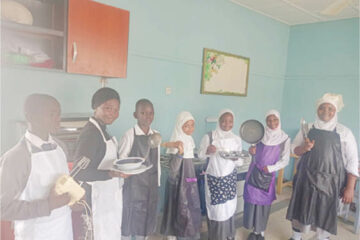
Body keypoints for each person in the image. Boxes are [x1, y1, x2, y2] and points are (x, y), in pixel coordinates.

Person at [286, 93, 359, 240]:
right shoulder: (307, 128)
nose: (326, 111)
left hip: (331, 183)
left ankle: (322, 238)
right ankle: (296, 236)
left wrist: (350, 187)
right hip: (305, 178)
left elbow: (352, 161)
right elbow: (293, 148)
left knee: (325, 212)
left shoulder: (344, 132)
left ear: (336, 111)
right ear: (317, 110)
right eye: (322, 108)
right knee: (301, 207)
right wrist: (304, 148)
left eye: (330, 108)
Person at [0, 94, 73, 240]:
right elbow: (3, 208)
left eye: (59, 113)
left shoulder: (60, 147)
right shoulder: (17, 157)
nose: (58, 118)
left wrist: (73, 196)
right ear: (30, 116)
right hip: (35, 233)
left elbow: (63, 182)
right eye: (51, 114)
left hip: (63, 228)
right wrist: (47, 205)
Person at [73, 87, 127, 240]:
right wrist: (110, 173)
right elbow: (79, 172)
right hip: (95, 200)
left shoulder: (102, 131)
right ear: (95, 107)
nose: (112, 113)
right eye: (107, 108)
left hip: (107, 200)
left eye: (116, 110)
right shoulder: (91, 134)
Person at [243, 110, 290, 240]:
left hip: (267, 175)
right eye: (269, 120)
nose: (272, 123)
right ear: (265, 121)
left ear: (279, 120)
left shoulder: (284, 138)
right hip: (254, 172)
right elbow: (254, 150)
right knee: (252, 201)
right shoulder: (260, 134)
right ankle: (254, 231)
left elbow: (285, 160)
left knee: (263, 204)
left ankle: (261, 232)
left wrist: (271, 168)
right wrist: (251, 151)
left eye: (275, 120)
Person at [198, 109, 243, 240]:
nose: (226, 124)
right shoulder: (210, 136)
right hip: (214, 180)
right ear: (219, 121)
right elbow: (200, 156)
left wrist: (235, 158)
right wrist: (207, 150)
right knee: (217, 211)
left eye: (230, 121)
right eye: (223, 120)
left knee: (228, 208)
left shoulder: (236, 139)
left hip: (229, 179)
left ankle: (229, 235)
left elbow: (239, 161)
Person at [118, 99, 160, 240]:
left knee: (146, 218)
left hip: (151, 184)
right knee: (129, 217)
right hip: (133, 185)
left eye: (150, 113)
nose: (147, 116)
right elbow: (121, 159)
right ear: (135, 115)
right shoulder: (129, 135)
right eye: (143, 113)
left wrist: (157, 181)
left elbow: (157, 161)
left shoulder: (156, 135)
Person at [161, 111, 202, 240]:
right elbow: (173, 170)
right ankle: (178, 235)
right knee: (180, 210)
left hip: (189, 179)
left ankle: (189, 233)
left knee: (190, 207)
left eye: (192, 125)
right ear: (179, 126)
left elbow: (189, 163)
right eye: (186, 126)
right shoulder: (177, 142)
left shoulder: (189, 139)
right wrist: (180, 153)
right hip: (179, 182)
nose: (190, 129)